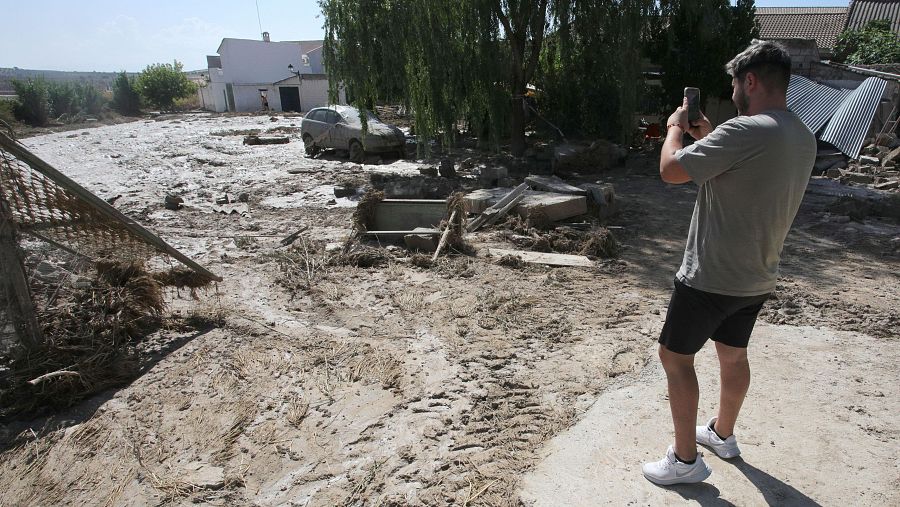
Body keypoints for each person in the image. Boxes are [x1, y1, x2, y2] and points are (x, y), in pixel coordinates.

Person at [641, 40, 817, 485]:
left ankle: (684, 462)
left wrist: (674, 129)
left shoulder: (743, 131)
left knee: (675, 358)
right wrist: (709, 136)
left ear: (750, 80)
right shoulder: (799, 133)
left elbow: (671, 171)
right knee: (733, 354)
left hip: (710, 275)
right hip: (756, 275)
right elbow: (741, 166)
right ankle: (722, 434)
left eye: (735, 82)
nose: (733, 88)